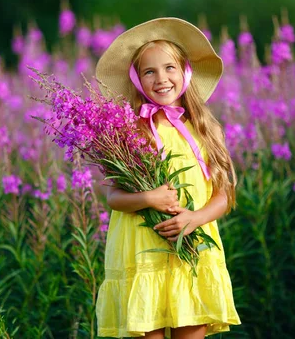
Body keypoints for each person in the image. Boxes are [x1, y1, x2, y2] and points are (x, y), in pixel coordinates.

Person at [95, 17, 240, 338]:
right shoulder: (128, 130)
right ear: (136, 79)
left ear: (185, 71)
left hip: (194, 250)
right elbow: (113, 198)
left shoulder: (207, 128)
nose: (161, 78)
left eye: (169, 68)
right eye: (149, 71)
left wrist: (195, 218)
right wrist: (149, 199)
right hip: (142, 251)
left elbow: (223, 194)